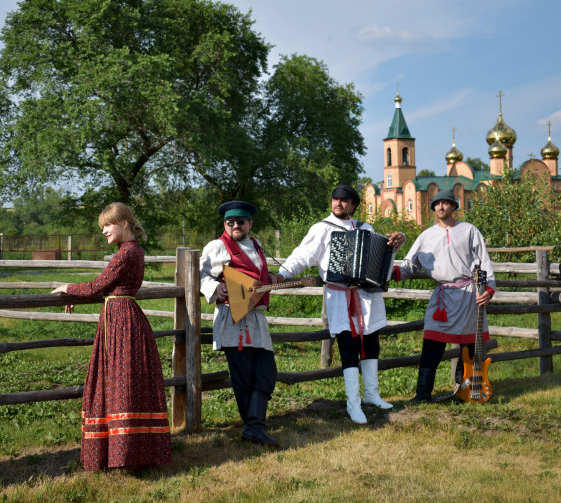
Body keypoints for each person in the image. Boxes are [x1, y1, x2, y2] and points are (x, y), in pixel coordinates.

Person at [52, 203, 171, 470]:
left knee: (121, 383)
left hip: (122, 321)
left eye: (108, 225)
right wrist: (76, 295)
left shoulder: (126, 253)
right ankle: (130, 451)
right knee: (124, 382)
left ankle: (125, 453)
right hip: (120, 318)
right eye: (102, 227)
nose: (104, 230)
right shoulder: (132, 250)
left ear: (124, 223)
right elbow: (106, 287)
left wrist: (67, 288)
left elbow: (97, 286)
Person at [275, 185, 405, 424]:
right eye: (335, 199)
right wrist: (282, 274)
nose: (338, 203)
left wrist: (397, 243)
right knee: (348, 346)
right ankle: (353, 404)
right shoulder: (322, 228)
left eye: (344, 200)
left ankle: (372, 395)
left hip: (367, 296)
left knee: (371, 344)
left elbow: (381, 256)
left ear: (353, 205)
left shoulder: (366, 228)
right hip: (339, 297)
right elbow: (301, 256)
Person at [393, 189, 496, 403]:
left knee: (468, 348)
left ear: (453, 206)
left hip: (468, 296)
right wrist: (392, 271)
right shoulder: (426, 236)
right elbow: (410, 265)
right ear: (433, 208)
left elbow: (484, 262)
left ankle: (462, 392)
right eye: (437, 204)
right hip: (441, 297)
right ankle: (422, 395)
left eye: (445, 203)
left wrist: (488, 290)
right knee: (431, 346)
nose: (440, 207)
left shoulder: (469, 230)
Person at [199, 200, 280, 447]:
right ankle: (254, 427)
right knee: (243, 376)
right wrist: (215, 287)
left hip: (256, 318)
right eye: (230, 222)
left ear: (250, 223)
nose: (236, 225)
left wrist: (270, 276)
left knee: (266, 373)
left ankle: (253, 426)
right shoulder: (217, 246)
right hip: (233, 319)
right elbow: (199, 274)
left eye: (241, 222)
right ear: (225, 224)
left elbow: (256, 274)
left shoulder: (256, 244)